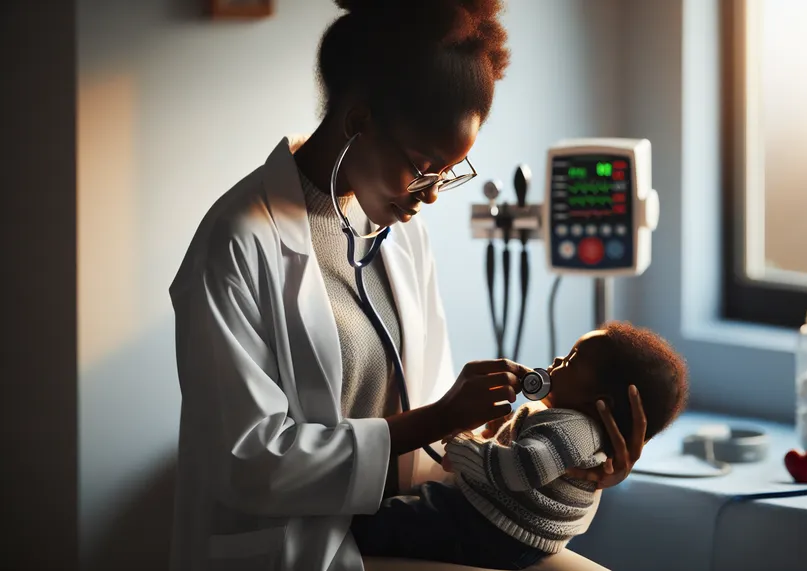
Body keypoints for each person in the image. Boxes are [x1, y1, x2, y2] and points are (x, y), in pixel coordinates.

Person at [168, 1, 650, 570]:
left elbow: (426, 422)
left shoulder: (396, 228)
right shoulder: (236, 242)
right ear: (357, 121)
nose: (432, 193)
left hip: (408, 523)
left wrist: (571, 459)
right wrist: (441, 418)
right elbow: (248, 462)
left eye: (448, 171)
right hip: (298, 545)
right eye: (424, 165)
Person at [350, 322, 690, 570]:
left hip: (486, 528)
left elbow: (522, 468)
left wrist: (465, 446)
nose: (558, 359)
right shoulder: (568, 422)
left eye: (572, 359)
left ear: (600, 401)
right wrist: (494, 433)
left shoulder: (575, 430)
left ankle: (351, 531)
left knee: (396, 522)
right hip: (502, 529)